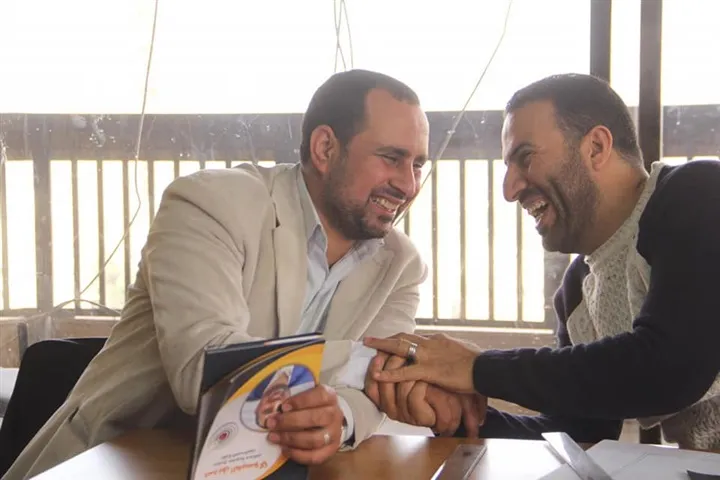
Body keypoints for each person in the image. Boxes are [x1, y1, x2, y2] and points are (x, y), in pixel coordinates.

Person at [2, 69, 472, 479]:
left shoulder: (401, 263)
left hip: (267, 470)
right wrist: (372, 363)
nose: (409, 184)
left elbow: (376, 394)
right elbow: (207, 369)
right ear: (326, 148)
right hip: (109, 462)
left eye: (417, 164)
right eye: (391, 158)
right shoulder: (212, 203)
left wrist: (340, 418)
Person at [364, 73, 720, 450]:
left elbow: (672, 367)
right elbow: (577, 436)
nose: (509, 189)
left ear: (596, 147)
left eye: (526, 158)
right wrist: (452, 417)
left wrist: (476, 368)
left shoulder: (698, 194)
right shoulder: (577, 291)